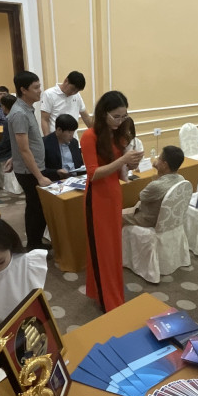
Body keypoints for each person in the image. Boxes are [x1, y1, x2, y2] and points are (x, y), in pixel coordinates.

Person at [81, 91, 143, 311]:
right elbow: (93, 174)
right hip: (97, 198)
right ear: (103, 113)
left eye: (124, 116)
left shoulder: (118, 135)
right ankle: (107, 298)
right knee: (102, 249)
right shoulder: (89, 136)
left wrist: (131, 163)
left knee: (114, 249)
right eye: (116, 116)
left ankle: (111, 293)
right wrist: (123, 160)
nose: (120, 121)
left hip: (113, 195)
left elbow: (120, 172)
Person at [9, 71, 52, 251]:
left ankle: (36, 242)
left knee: (37, 206)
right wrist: (39, 176)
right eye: (36, 87)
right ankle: (34, 245)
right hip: (30, 171)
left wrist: (14, 157)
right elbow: (24, 149)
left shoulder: (27, 109)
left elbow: (23, 143)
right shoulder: (20, 113)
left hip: (31, 166)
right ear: (23, 90)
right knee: (35, 208)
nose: (40, 90)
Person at [123, 145, 185, 227]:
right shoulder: (181, 179)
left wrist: (157, 175)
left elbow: (140, 197)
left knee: (117, 216)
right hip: (167, 219)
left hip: (148, 220)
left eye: (159, 158)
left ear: (165, 165)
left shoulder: (156, 186)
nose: (156, 160)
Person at [40, 70, 93, 135]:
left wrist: (96, 134)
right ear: (66, 81)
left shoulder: (77, 95)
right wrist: (48, 139)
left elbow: (85, 117)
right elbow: (45, 120)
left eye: (77, 91)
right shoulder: (49, 94)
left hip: (72, 137)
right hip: (56, 137)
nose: (73, 93)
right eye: (72, 89)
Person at [43, 113, 84, 180]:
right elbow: (41, 169)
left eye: (73, 132)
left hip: (76, 178)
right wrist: (56, 172)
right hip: (57, 180)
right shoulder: (45, 143)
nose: (72, 135)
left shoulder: (74, 142)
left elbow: (79, 165)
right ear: (59, 130)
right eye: (69, 132)